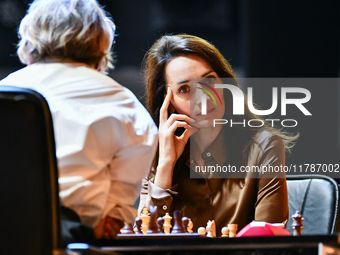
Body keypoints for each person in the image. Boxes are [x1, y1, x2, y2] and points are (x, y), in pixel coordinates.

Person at [0, 0, 158, 244]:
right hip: (67, 239)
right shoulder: (127, 107)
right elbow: (112, 217)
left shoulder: (6, 90)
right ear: (101, 50)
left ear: (30, 44)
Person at [139, 34, 298, 236]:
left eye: (209, 80)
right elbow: (145, 239)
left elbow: (268, 242)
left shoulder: (264, 146)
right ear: (168, 102)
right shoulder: (156, 151)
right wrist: (166, 165)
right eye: (185, 89)